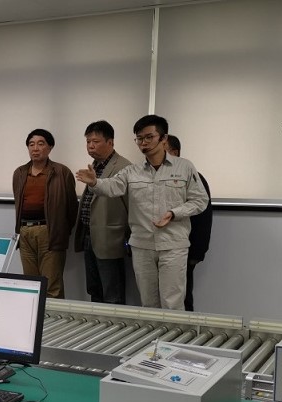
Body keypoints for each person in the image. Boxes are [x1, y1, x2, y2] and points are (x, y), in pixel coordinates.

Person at [75, 115, 207, 310]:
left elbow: (200, 200)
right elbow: (112, 187)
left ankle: (170, 332)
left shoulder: (184, 167)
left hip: (173, 245)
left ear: (163, 138)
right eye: (139, 138)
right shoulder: (132, 171)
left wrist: (174, 213)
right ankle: (152, 332)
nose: (144, 143)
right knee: (148, 303)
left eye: (149, 137)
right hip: (142, 245)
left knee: (172, 302)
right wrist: (95, 182)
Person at [13, 129, 79, 298]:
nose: (35, 148)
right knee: (30, 285)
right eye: (31, 144)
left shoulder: (61, 172)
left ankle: (54, 316)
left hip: (50, 232)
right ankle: (34, 317)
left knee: (51, 286)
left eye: (40, 144)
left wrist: (60, 230)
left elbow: (72, 208)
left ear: (50, 147)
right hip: (25, 232)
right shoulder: (20, 173)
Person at [74, 121, 133, 304]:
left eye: (96, 141)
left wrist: (128, 237)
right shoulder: (95, 165)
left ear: (110, 142)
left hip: (110, 239)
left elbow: (131, 206)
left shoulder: (124, 167)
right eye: (88, 141)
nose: (90, 146)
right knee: (94, 289)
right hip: (90, 236)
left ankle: (114, 324)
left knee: (112, 293)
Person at [165, 135, 213, 312]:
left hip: (184, 250)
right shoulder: (152, 178)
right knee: (160, 300)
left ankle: (184, 330)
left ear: (175, 152)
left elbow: (203, 219)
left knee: (182, 299)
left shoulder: (192, 176)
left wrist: (196, 253)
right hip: (158, 248)